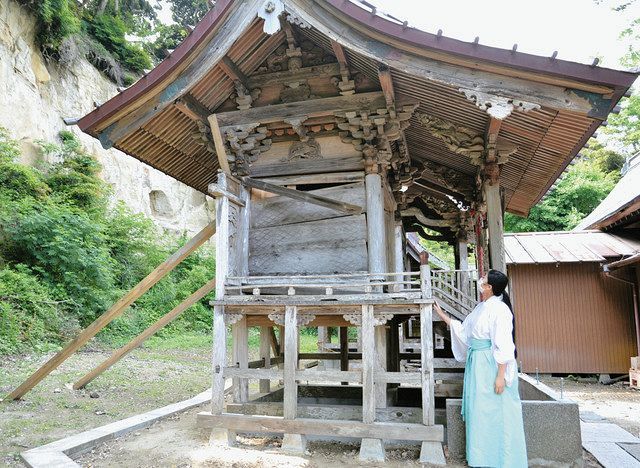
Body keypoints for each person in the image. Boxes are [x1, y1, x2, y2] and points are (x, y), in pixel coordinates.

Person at [433, 269, 527, 468]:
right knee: (479, 410)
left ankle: (503, 459)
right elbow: (465, 331)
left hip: (491, 364)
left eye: (484, 279)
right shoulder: (481, 307)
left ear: (489, 287)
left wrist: (501, 376)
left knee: (495, 411)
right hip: (477, 363)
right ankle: (481, 458)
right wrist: (442, 315)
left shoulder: (500, 310)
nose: (480, 280)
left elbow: (504, 344)